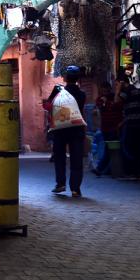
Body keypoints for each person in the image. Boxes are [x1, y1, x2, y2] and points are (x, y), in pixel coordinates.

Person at [47, 66, 87, 197]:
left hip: (60, 129)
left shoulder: (58, 91)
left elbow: (48, 106)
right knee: (76, 159)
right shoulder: (82, 95)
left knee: (59, 157)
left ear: (65, 77)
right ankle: (75, 189)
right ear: (78, 78)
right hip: (77, 129)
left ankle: (60, 184)